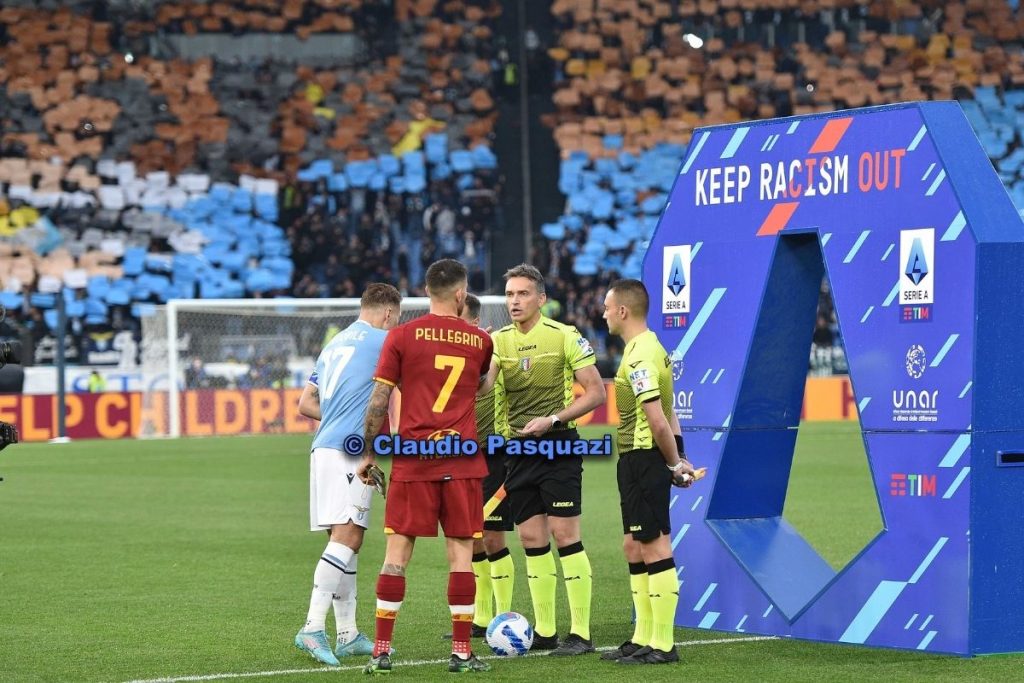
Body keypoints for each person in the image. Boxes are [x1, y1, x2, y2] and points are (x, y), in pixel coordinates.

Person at [357, 259, 494, 675]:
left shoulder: (400, 336)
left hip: (413, 461)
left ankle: (382, 650)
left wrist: (367, 454)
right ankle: (461, 654)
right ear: (460, 294)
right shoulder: (480, 341)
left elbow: (379, 401)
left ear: (426, 291)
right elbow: (483, 386)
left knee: (396, 555)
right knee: (460, 557)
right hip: (462, 461)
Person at [480, 264, 606, 656]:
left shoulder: (564, 336)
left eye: (522, 294)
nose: (514, 301)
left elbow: (596, 392)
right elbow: (484, 386)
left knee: (566, 536)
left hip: (558, 448)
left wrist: (552, 419)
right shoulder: (498, 342)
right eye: (510, 295)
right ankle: (547, 632)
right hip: (518, 453)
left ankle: (581, 634)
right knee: (531, 538)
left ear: (541, 299)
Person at [293, 284, 402, 667]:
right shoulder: (384, 342)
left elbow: (306, 402)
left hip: (323, 447)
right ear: (389, 313)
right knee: (349, 535)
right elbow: (393, 396)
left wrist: (338, 417)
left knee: (344, 541)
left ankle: (347, 632)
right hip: (351, 451)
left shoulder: (334, 344)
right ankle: (310, 627)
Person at [600, 279, 696, 665]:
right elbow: (670, 409)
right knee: (633, 545)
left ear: (623, 311)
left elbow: (657, 421)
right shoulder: (648, 349)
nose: (604, 313)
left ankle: (663, 644)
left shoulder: (640, 355)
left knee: (655, 545)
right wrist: (680, 455)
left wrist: (673, 462)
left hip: (644, 457)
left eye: (608, 307)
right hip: (635, 458)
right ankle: (643, 636)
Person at [459, 294, 515, 637]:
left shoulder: (492, 352)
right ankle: (481, 619)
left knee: (493, 535)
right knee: (470, 537)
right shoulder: (448, 353)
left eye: (458, 318)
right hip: (460, 455)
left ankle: (504, 615)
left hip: (492, 455)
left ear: (475, 323)